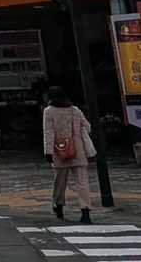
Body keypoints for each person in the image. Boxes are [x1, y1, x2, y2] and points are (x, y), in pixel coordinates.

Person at [42, 86, 95, 225]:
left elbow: (48, 132)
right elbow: (88, 127)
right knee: (82, 182)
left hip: (60, 150)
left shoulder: (49, 111)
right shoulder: (75, 110)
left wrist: (48, 152)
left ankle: (58, 205)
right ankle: (85, 211)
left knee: (60, 181)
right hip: (78, 150)